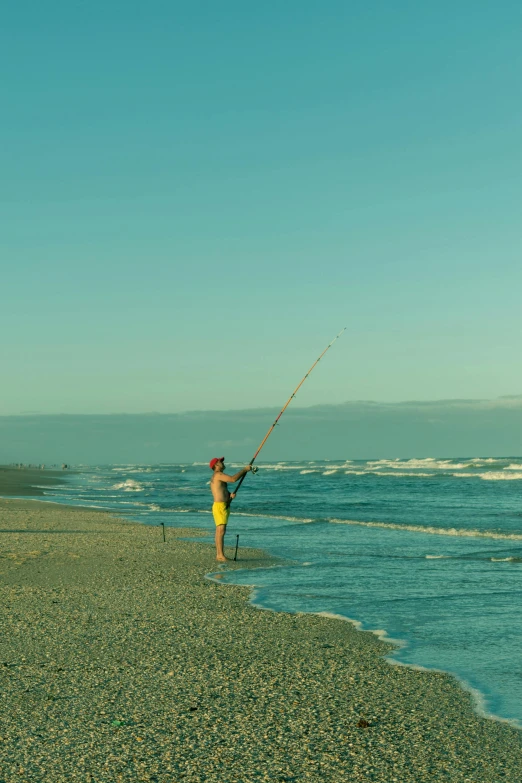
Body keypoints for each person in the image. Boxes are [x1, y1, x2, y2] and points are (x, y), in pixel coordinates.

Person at [209, 457, 251, 561]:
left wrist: (229, 495)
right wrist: (244, 470)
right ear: (216, 465)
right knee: (220, 531)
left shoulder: (218, 476)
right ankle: (220, 555)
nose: (223, 462)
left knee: (220, 531)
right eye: (220, 461)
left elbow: (221, 489)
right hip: (220, 506)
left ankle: (219, 554)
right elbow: (233, 479)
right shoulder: (218, 474)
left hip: (223, 505)